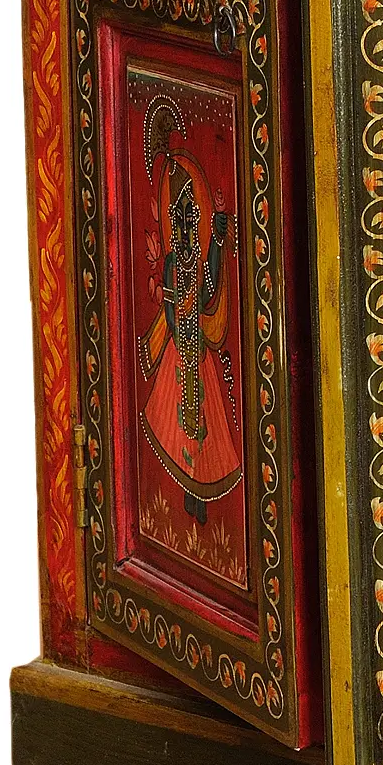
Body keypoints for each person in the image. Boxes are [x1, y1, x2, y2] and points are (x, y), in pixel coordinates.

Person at [138, 96, 241, 524]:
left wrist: (216, 241)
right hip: (182, 354)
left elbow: (210, 286)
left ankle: (199, 499)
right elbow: (169, 302)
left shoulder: (197, 259)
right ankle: (186, 496)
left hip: (197, 352)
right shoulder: (171, 263)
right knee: (180, 425)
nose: (183, 225)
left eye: (189, 216)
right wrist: (177, 329)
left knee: (205, 432)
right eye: (178, 217)